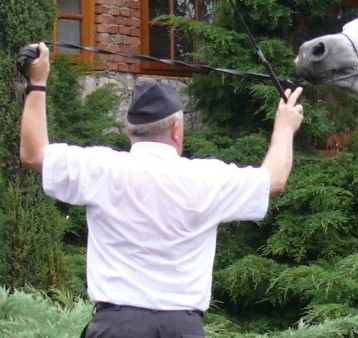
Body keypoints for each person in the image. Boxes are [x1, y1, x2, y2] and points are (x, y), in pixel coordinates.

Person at [19, 42, 304, 338]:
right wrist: (284, 127)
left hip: (116, 328)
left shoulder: (101, 168)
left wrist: (37, 82)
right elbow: (274, 180)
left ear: (130, 130)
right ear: (176, 130)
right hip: (182, 329)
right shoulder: (205, 178)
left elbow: (33, 153)